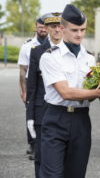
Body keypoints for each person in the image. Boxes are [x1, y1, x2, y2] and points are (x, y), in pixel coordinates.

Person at [39, 4, 100, 178]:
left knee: (76, 173)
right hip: (56, 119)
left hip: (81, 119)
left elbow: (91, 90)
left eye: (83, 29)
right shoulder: (50, 56)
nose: (80, 34)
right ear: (62, 28)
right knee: (52, 174)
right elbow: (65, 92)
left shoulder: (89, 58)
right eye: (75, 30)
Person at [26, 12, 63, 177]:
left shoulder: (70, 50)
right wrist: (30, 116)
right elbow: (32, 87)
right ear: (46, 28)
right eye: (52, 26)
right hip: (43, 112)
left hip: (63, 110)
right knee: (41, 157)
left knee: (63, 158)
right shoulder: (37, 51)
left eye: (59, 26)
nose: (56, 30)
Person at [18, 17, 48, 159]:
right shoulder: (27, 46)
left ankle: (44, 144)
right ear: (35, 27)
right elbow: (23, 70)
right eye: (40, 27)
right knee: (31, 113)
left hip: (46, 82)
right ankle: (33, 144)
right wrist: (24, 91)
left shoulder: (55, 43)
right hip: (31, 83)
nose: (42, 29)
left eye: (44, 27)